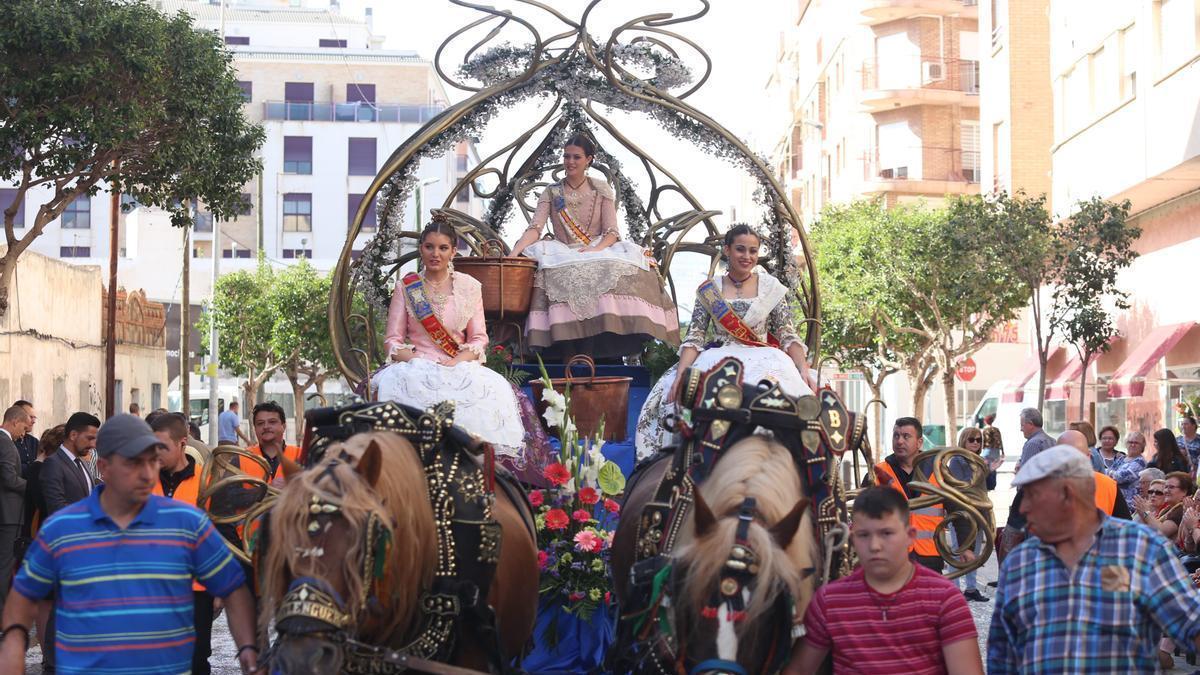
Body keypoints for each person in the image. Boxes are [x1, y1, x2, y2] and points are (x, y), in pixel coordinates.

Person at [0, 414, 260, 675]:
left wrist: (247, 650)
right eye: (134, 463)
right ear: (104, 466)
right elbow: (22, 596)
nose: (148, 474)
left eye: (152, 461)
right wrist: (12, 646)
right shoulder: (62, 530)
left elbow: (233, 589)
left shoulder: (187, 523)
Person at [987, 445, 1200, 673]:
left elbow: (1191, 625)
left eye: (1033, 495)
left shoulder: (1142, 550)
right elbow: (1001, 656)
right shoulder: (1021, 562)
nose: (1024, 507)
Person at [635, 224, 816, 456]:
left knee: (799, 396)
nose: (747, 256)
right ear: (727, 250)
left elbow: (787, 334)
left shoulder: (771, 288)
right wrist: (681, 373)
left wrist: (802, 368)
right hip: (719, 356)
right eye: (741, 249)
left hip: (765, 356)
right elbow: (695, 336)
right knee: (676, 394)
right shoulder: (710, 290)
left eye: (753, 251)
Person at [372, 219, 539, 460]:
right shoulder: (406, 287)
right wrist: (415, 359)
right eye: (429, 247)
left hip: (459, 366)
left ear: (453, 249)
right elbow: (393, 341)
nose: (435, 254)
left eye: (442, 248)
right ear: (421, 249)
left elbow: (480, 338)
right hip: (416, 367)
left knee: (494, 391)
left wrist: (459, 360)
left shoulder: (469, 287)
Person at [509, 134, 679, 360]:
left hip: (598, 246)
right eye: (567, 156)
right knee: (549, 270)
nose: (570, 162)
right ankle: (567, 349)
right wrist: (514, 252)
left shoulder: (601, 188)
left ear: (589, 159)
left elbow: (612, 231)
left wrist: (595, 250)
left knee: (612, 266)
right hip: (562, 248)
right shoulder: (551, 191)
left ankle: (590, 350)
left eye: (576, 157)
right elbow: (535, 228)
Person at [784, 486, 983, 675]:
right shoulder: (829, 601)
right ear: (852, 539)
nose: (875, 545)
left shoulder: (945, 599)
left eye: (886, 533)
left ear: (910, 536)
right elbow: (800, 670)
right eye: (863, 535)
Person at [150, 413, 217, 675]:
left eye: (162, 447)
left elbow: (220, 536)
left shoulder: (206, 482)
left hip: (196, 590)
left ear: (182, 443)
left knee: (196, 660)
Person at [872, 418, 972, 573]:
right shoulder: (877, 473)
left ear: (919, 443)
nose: (899, 441)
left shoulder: (939, 472)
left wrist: (966, 547)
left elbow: (960, 510)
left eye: (906, 436)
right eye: (896, 436)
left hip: (929, 557)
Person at [1057, 428, 1131, 519]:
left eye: (1077, 455)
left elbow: (1125, 527)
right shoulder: (1042, 486)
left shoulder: (1108, 486)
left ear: (1088, 456)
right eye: (1065, 455)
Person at [39, 412, 98, 516]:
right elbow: (56, 507)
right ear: (73, 435)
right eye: (89, 438)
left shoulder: (83, 462)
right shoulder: (53, 463)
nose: (93, 445)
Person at [953, 427, 988, 601]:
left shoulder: (980, 460)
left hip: (979, 511)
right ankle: (953, 590)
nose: (976, 443)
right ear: (964, 440)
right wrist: (981, 470)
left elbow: (988, 485)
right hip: (962, 512)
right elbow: (961, 486)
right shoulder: (957, 459)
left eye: (979, 440)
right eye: (972, 439)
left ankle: (971, 588)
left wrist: (992, 470)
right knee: (958, 550)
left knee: (975, 551)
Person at [0, 406, 28, 612]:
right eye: (24, 429)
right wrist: (33, 486)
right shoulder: (6, 443)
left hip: (7, 513)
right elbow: (9, 479)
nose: (24, 434)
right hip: (8, 514)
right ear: (15, 421)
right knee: (4, 566)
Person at [237, 401, 301, 486]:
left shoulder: (302, 455)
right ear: (255, 429)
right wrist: (264, 492)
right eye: (260, 423)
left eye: (272, 422)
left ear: (283, 426)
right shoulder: (241, 458)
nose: (266, 427)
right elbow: (222, 495)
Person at [1134, 471, 1193, 545]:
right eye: (1166, 487)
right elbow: (1147, 531)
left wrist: (1145, 512)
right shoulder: (1168, 509)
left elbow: (1161, 532)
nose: (1166, 491)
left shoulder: (1181, 509)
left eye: (1171, 487)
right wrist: (1142, 513)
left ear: (1184, 491)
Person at [1107, 430, 1147, 506]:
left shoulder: (1140, 462)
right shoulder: (1121, 459)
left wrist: (1111, 473)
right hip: (1114, 500)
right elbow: (1107, 474)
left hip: (1129, 505)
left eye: (1136, 443)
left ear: (1142, 446)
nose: (1133, 445)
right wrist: (1111, 473)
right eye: (1130, 442)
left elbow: (1119, 477)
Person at [11, 401, 37, 474]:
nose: (34, 421)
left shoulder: (34, 442)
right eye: (30, 417)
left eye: (34, 417)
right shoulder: (5, 440)